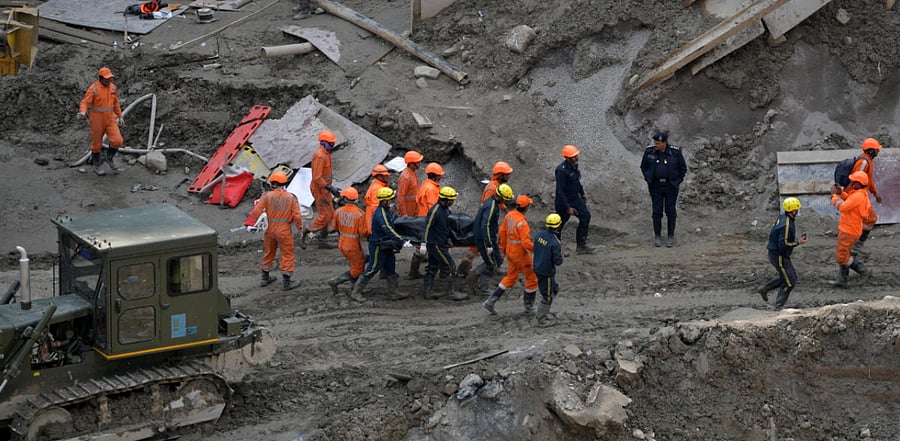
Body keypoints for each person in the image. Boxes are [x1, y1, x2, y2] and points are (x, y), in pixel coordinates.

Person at [482, 195, 538, 315]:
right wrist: (537, 249)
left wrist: (503, 248)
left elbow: (502, 232)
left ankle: (490, 301)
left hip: (510, 252)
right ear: (526, 208)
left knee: (510, 277)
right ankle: (529, 307)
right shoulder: (522, 223)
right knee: (532, 278)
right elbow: (526, 243)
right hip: (521, 255)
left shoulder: (509, 216)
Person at [248, 171, 303, 291]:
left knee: (269, 252)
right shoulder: (291, 197)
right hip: (283, 229)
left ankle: (265, 277)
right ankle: (287, 282)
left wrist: (261, 222)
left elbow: (256, 211)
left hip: (269, 229)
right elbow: (297, 216)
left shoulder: (266, 196)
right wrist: (300, 228)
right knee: (287, 254)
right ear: (284, 183)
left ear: (272, 183)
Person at [350, 187, 406, 301]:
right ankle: (356, 292)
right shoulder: (381, 214)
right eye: (390, 200)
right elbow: (388, 229)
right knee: (372, 268)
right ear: (384, 201)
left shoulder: (386, 211)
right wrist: (401, 240)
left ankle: (393, 292)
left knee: (391, 267)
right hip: (378, 246)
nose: (392, 202)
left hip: (386, 245)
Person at [459, 161, 515, 275]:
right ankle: (489, 265)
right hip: (486, 220)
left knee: (481, 242)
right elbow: (489, 207)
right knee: (487, 241)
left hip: (486, 220)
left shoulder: (496, 187)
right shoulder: (492, 189)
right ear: (501, 175)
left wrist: (504, 208)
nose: (509, 176)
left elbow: (498, 200)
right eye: (507, 174)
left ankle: (468, 263)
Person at [757, 197, 808, 310]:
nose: (797, 211)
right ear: (792, 210)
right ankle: (779, 305)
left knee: (790, 277)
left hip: (780, 255)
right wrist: (797, 243)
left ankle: (765, 289)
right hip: (779, 256)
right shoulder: (786, 225)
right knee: (790, 282)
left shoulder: (783, 217)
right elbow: (783, 244)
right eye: (796, 209)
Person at [640, 132, 688, 247]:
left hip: (670, 186)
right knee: (657, 211)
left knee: (670, 211)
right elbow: (643, 167)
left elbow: (683, 168)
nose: (655, 145)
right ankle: (657, 236)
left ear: (664, 143)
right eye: (655, 143)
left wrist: (677, 181)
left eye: (658, 143)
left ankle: (670, 236)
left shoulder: (675, 152)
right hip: (655, 186)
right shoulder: (649, 152)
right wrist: (648, 178)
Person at [467, 183, 514, 293]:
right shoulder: (491, 207)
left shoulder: (492, 204)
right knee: (491, 263)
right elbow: (485, 225)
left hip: (488, 237)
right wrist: (488, 244)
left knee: (497, 259)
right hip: (484, 238)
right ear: (501, 197)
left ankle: (475, 279)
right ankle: (479, 285)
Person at [422, 186, 468, 300]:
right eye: (451, 200)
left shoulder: (445, 210)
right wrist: (424, 243)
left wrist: (448, 238)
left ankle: (428, 291)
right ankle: (452, 292)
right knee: (450, 265)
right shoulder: (435, 211)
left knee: (433, 266)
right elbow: (427, 227)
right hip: (436, 244)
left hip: (439, 242)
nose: (452, 202)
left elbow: (445, 226)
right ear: (446, 200)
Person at [78, 67, 125, 176]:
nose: (109, 81)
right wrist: (82, 112)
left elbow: (116, 103)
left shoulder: (113, 88)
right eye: (106, 79)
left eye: (110, 79)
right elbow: (85, 102)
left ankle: (109, 158)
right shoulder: (93, 89)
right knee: (97, 144)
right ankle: (97, 165)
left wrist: (120, 116)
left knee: (118, 140)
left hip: (110, 118)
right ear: (101, 78)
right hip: (97, 119)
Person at [830, 171, 874, 287]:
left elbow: (843, 207)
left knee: (842, 257)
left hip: (848, 230)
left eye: (854, 182)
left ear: (860, 184)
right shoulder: (860, 193)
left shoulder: (858, 196)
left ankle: (863, 271)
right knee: (845, 253)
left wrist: (834, 196)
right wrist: (841, 193)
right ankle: (842, 280)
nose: (851, 183)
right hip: (850, 229)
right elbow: (850, 200)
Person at [327, 187, 368, 296]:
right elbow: (364, 233)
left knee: (355, 265)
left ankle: (354, 286)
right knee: (358, 269)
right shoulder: (360, 214)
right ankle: (336, 281)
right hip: (353, 246)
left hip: (342, 244)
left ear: (344, 199)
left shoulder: (338, 211)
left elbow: (331, 229)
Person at [554, 144, 595, 254]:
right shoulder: (561, 171)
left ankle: (581, 246)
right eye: (574, 156)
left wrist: (582, 194)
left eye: (576, 155)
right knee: (558, 224)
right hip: (564, 201)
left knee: (585, 216)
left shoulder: (574, 166)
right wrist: (567, 207)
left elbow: (576, 182)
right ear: (567, 158)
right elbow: (560, 191)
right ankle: (555, 248)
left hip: (575, 198)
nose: (576, 157)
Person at [301, 130, 337, 249]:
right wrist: (329, 187)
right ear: (323, 143)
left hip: (325, 189)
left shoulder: (325, 154)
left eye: (333, 144)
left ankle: (322, 240)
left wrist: (330, 187)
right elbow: (317, 177)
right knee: (325, 216)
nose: (332, 146)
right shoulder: (319, 156)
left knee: (330, 213)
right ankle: (307, 230)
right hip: (320, 189)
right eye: (330, 144)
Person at [850, 137, 882, 256]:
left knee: (865, 220)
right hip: (858, 198)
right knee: (870, 218)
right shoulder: (863, 162)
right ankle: (857, 244)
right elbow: (856, 179)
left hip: (861, 197)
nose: (878, 152)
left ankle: (855, 246)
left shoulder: (867, 161)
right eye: (877, 150)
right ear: (871, 150)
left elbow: (868, 180)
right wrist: (852, 197)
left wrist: (875, 193)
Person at [533, 213, 564, 325]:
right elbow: (558, 261)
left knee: (554, 288)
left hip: (537, 267)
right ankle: (542, 318)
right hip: (547, 272)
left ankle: (544, 311)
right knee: (547, 295)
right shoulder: (555, 242)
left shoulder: (539, 235)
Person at [364, 164, 392, 234]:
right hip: (376, 225)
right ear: (379, 176)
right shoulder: (377, 189)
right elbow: (375, 209)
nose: (387, 177)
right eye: (385, 175)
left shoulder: (379, 184)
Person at [397, 151, 423, 217]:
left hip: (414, 208)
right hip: (408, 211)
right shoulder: (405, 177)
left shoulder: (412, 173)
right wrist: (404, 214)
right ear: (411, 163)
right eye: (418, 162)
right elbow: (401, 197)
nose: (420, 164)